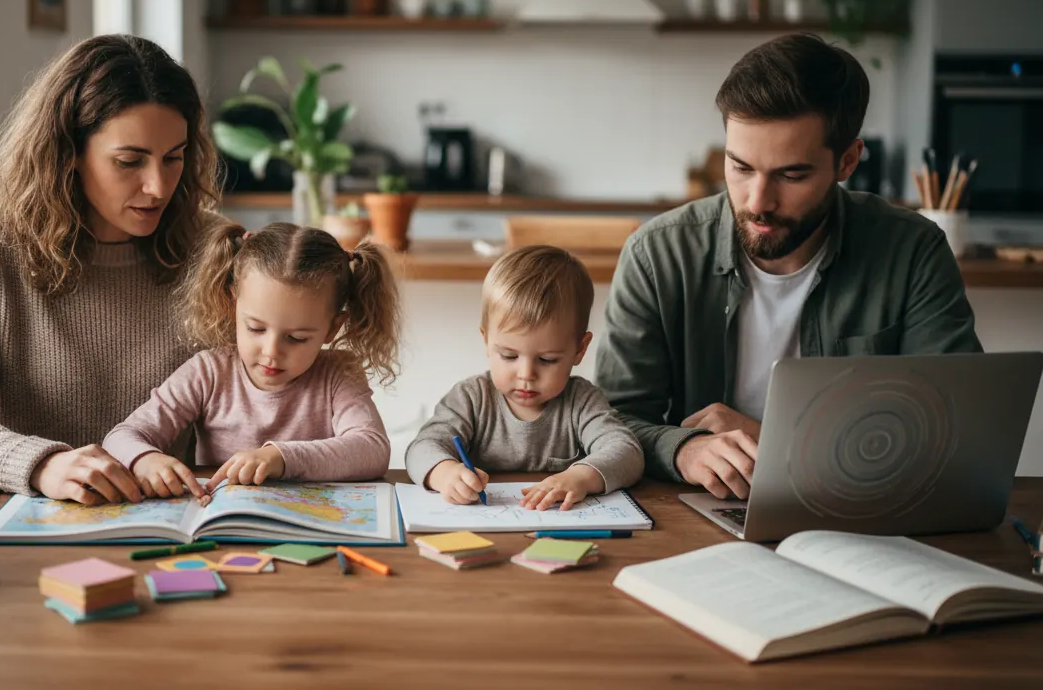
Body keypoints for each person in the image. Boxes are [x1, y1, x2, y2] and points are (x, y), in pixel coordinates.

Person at [596, 33, 982, 501]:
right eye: (740, 167)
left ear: (847, 161)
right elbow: (613, 422)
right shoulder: (657, 256)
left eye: (791, 175)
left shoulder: (913, 252)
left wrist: (776, 440)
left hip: (861, 513)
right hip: (697, 516)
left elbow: (954, 435)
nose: (757, 202)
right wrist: (685, 451)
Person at [0, 35, 221, 505]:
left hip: (175, 522)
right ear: (68, 151)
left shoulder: (213, 248)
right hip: (34, 519)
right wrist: (43, 464)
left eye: (173, 158)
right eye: (129, 161)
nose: (158, 187)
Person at [102, 220, 401, 499]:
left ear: (332, 328)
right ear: (232, 304)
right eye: (256, 328)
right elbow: (123, 436)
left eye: (297, 338)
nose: (271, 351)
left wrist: (279, 458)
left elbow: (372, 449)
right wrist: (145, 459)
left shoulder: (337, 374)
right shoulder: (210, 371)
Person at [405, 246, 646, 511]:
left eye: (547, 360)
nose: (526, 374)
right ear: (486, 340)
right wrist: (445, 473)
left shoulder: (582, 402)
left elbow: (627, 452)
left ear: (580, 349)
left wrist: (579, 477)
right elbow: (421, 448)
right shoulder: (471, 398)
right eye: (509, 356)